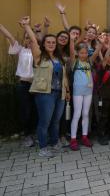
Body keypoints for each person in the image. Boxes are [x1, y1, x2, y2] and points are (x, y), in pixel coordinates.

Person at [21, 16, 69, 158]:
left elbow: (64, 77)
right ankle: (43, 147)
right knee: (45, 121)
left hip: (59, 94)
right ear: (44, 44)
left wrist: (67, 92)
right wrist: (27, 26)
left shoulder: (59, 58)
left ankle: (54, 143)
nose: (51, 44)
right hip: (45, 94)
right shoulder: (39, 56)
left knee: (55, 121)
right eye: (48, 42)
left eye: (53, 42)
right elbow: (34, 41)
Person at [0, 24, 36, 147]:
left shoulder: (40, 52)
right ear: (23, 40)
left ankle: (35, 133)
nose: (29, 40)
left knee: (36, 110)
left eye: (31, 38)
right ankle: (27, 135)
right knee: (25, 111)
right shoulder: (20, 50)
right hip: (23, 85)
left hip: (37, 86)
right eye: (27, 38)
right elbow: (9, 36)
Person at [68, 35, 102, 151]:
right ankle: (73, 139)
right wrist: (72, 40)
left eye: (85, 53)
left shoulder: (89, 62)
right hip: (78, 92)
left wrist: (100, 44)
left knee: (86, 114)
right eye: (81, 53)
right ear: (78, 53)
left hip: (88, 91)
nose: (84, 55)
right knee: (77, 113)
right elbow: (72, 52)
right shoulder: (74, 62)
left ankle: (84, 136)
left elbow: (97, 52)